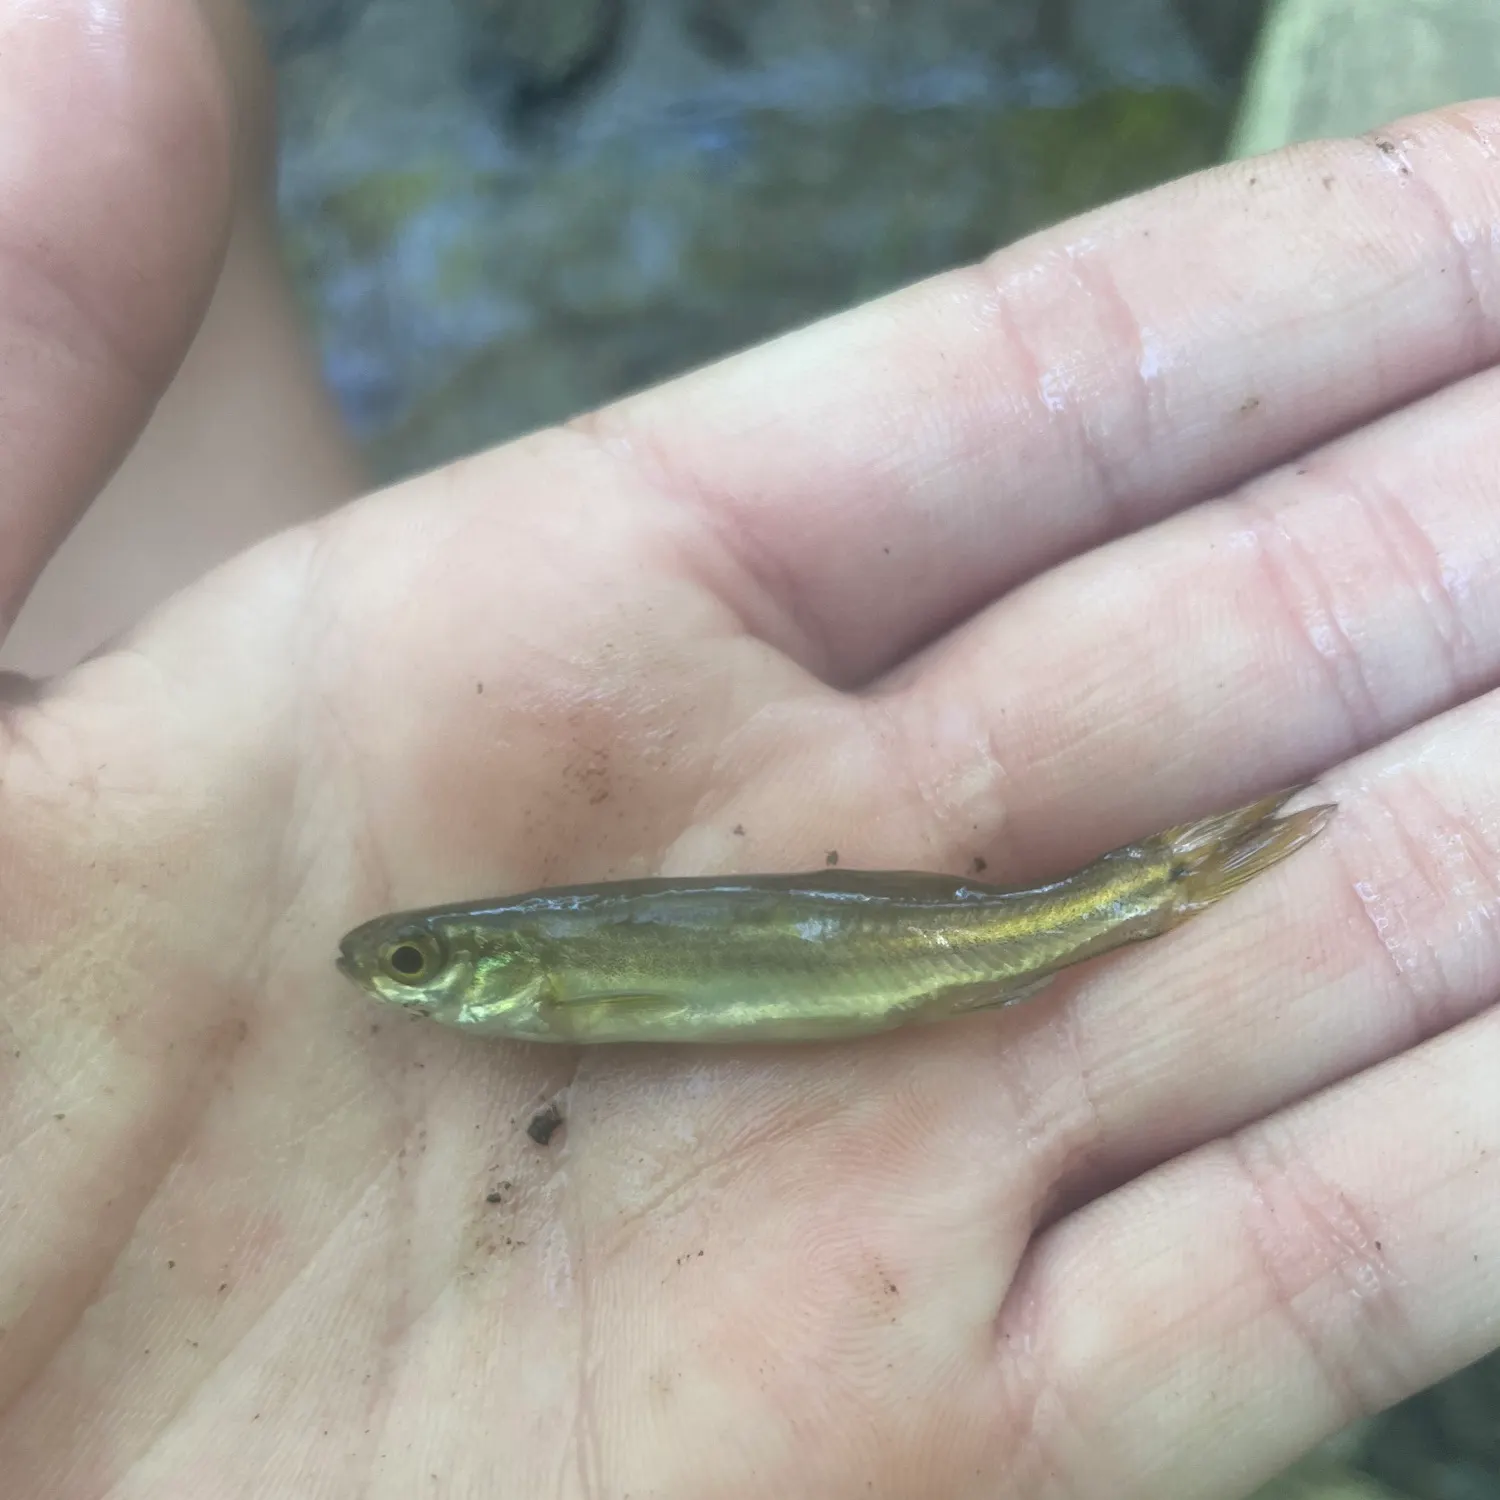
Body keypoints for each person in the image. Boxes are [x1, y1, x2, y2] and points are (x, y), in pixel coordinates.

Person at [2, 3, 1497, 1496]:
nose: (396, 986)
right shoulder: (540, 976)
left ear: (486, 968)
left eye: (412, 969)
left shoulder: (547, 974)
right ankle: (1162, 887)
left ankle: (1166, 885)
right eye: (408, 967)